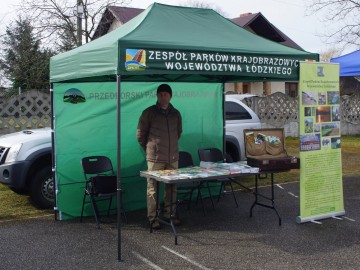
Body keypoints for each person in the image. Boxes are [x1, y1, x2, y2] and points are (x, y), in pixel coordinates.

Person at [136, 84, 182, 229]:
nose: (163, 97)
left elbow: (178, 133)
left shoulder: (176, 113)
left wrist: (170, 149)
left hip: (172, 158)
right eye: (161, 94)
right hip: (155, 159)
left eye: (166, 94)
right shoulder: (148, 113)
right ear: (157, 96)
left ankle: (170, 214)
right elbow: (140, 135)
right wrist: (150, 149)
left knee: (172, 188)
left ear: (170, 96)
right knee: (152, 188)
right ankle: (153, 218)